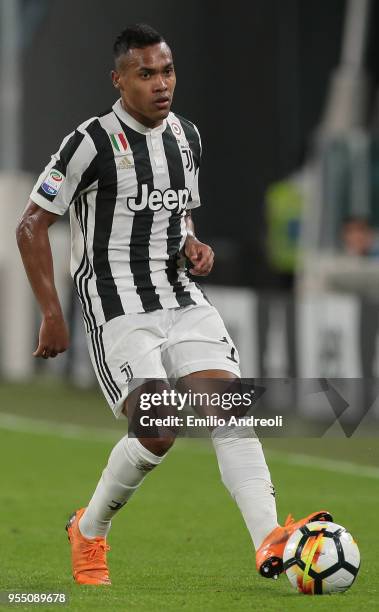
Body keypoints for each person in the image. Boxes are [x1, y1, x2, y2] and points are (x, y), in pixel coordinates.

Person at [16, 24, 331, 586]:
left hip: (180, 295)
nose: (162, 84)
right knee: (158, 430)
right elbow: (31, 225)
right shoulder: (89, 141)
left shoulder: (186, 136)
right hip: (118, 304)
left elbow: (178, 212)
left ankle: (269, 539)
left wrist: (192, 244)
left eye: (168, 71)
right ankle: (89, 531)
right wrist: (52, 313)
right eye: (146, 74)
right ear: (118, 81)